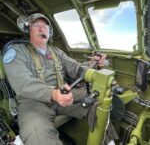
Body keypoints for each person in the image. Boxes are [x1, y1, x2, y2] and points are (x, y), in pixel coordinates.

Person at [3, 13, 106, 145]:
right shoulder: (16, 51)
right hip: (32, 102)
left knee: (100, 104)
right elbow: (22, 83)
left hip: (62, 93)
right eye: (36, 26)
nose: (41, 29)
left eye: (45, 26)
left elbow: (75, 68)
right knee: (37, 134)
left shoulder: (56, 51)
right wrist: (52, 94)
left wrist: (93, 65)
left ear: (50, 32)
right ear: (29, 30)